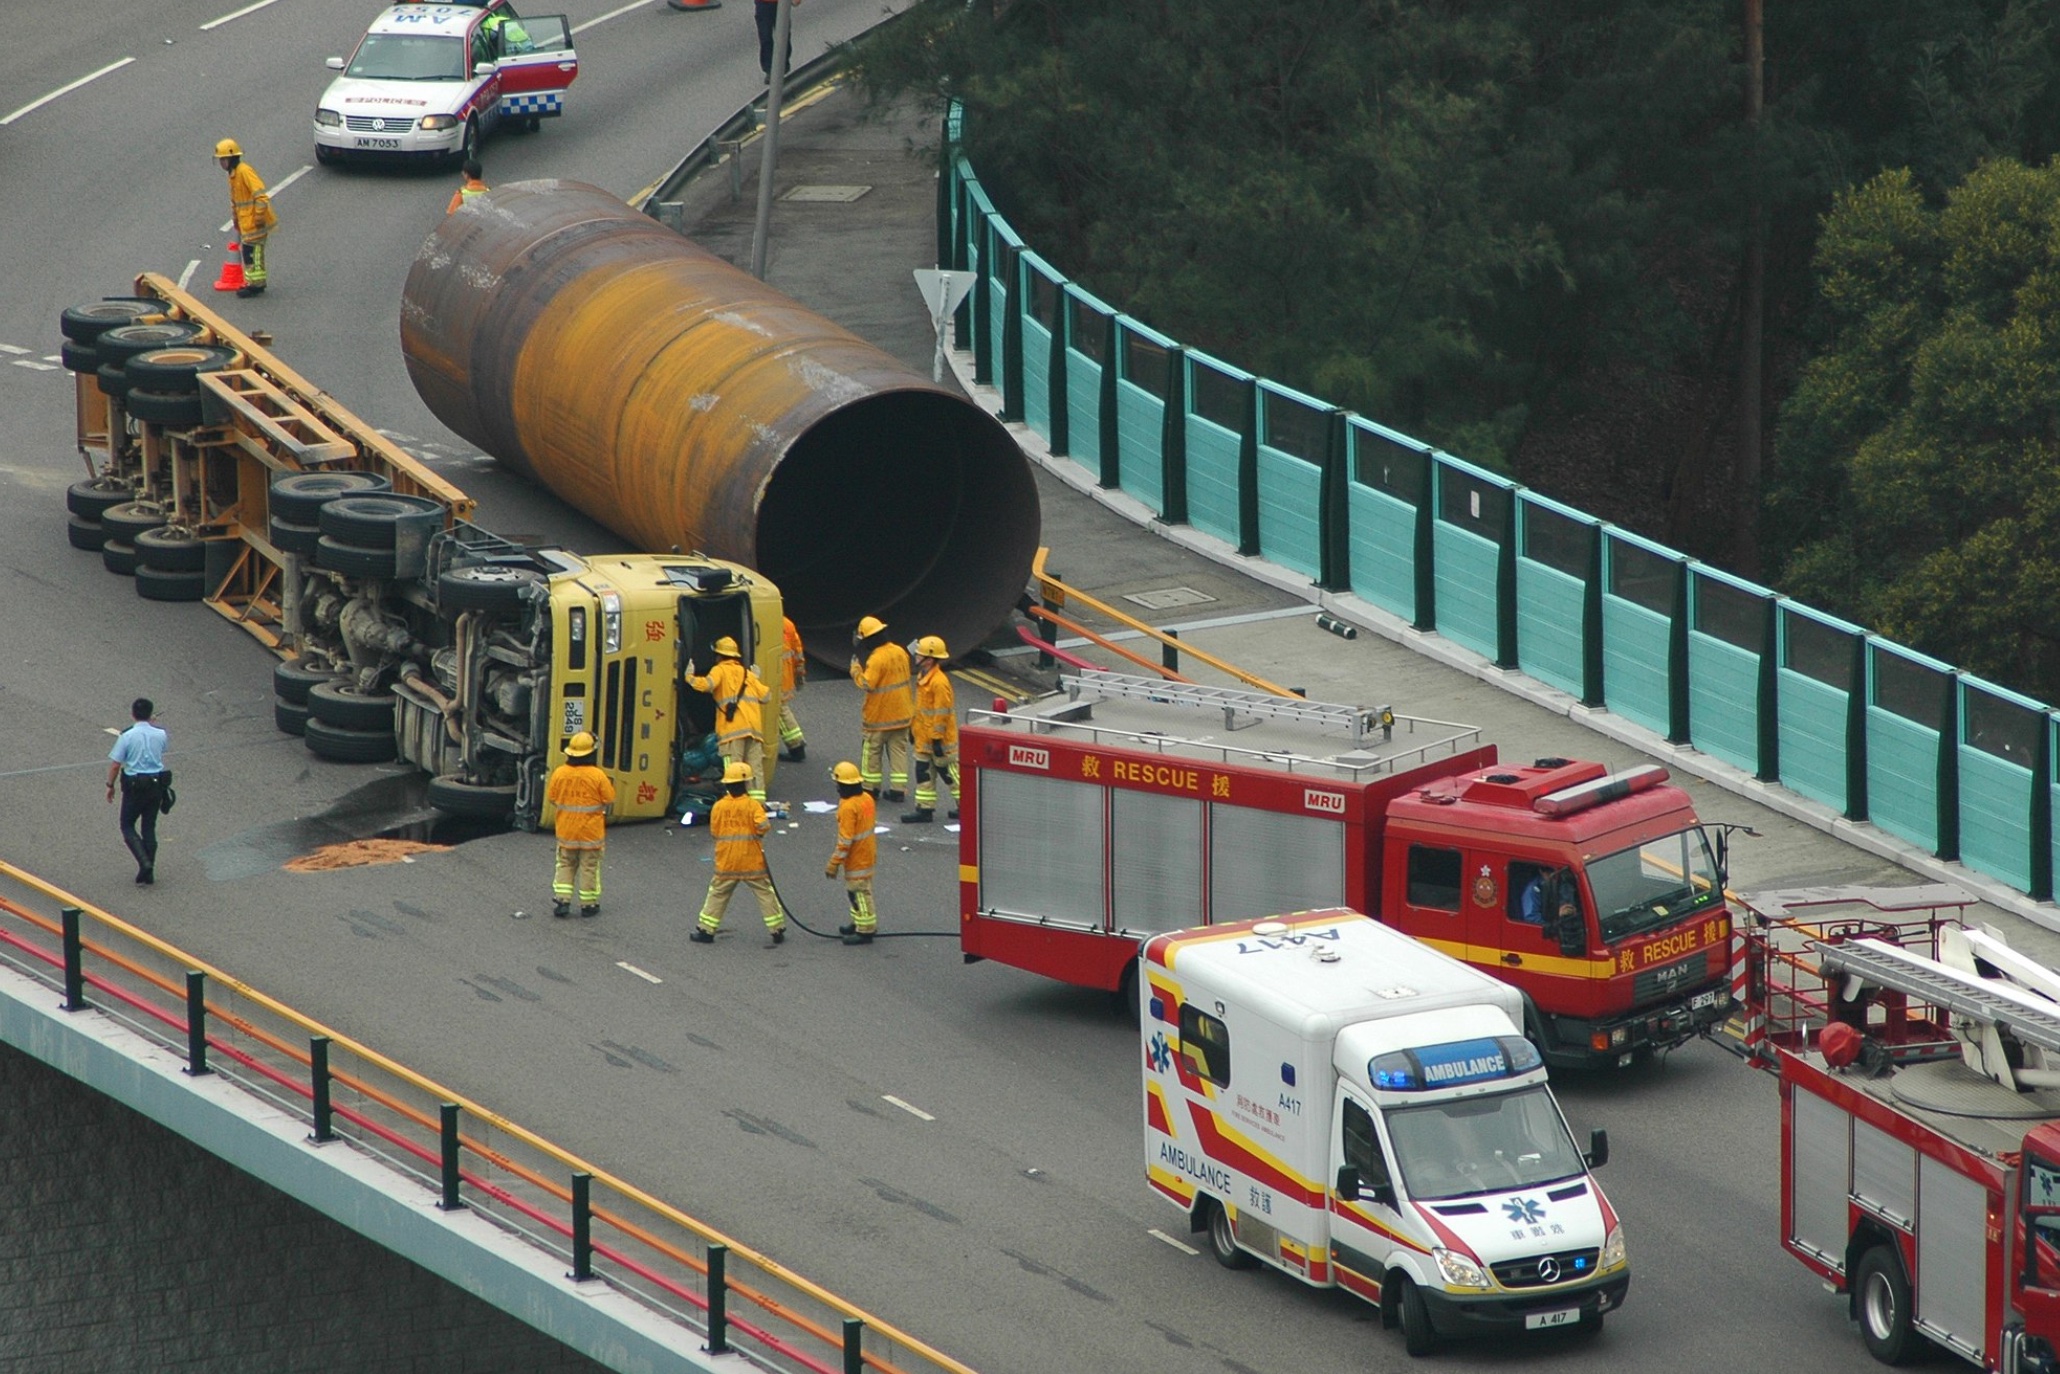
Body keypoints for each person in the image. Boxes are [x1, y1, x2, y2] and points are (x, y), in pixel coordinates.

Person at [691, 762, 787, 945]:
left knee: (718, 894)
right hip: (751, 861)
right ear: (746, 784)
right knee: (764, 893)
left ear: (727, 784)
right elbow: (764, 826)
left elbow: (714, 832)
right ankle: (776, 929)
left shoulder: (718, 807)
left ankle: (706, 931)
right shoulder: (752, 806)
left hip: (727, 862)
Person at [685, 635, 770, 801]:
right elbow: (766, 696)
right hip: (754, 730)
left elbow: (706, 685)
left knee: (734, 768)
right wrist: (755, 679)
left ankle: (735, 802)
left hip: (732, 730)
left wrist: (689, 677)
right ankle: (757, 803)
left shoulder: (719, 670)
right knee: (754, 768)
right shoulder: (747, 674)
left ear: (718, 656)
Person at [545, 730, 615, 917]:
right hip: (590, 833)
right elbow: (609, 798)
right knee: (589, 867)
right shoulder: (597, 775)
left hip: (566, 831)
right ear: (592, 753)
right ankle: (588, 904)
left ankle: (562, 901)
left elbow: (552, 797)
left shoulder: (560, 773)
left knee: (566, 864)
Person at [848, 614, 912, 802]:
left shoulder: (876, 659)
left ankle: (870, 788)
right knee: (898, 752)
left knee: (872, 752)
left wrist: (855, 671)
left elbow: (867, 684)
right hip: (902, 714)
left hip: (879, 718)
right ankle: (898, 790)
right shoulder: (900, 652)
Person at [106, 698, 170, 885]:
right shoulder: (161, 734)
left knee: (127, 825)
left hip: (134, 785)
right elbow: (161, 748)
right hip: (156, 784)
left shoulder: (127, 736)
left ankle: (144, 863)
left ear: (133, 714)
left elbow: (116, 764)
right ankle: (149, 870)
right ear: (151, 714)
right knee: (149, 827)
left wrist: (110, 785)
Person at [903, 634, 960, 823]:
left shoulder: (939, 682)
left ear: (930, 658)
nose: (916, 658)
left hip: (939, 740)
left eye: (919, 655)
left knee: (950, 775)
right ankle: (924, 810)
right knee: (923, 773)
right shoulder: (923, 677)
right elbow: (920, 708)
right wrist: (913, 729)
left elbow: (941, 713)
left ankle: (967, 807)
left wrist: (936, 738)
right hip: (923, 738)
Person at [214, 138, 276, 298]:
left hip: (254, 223)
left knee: (252, 254)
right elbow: (237, 201)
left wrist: (259, 218)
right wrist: (235, 219)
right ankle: (256, 282)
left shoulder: (244, 171)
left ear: (232, 158)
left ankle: (255, 284)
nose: (221, 163)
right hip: (246, 223)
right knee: (251, 253)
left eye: (223, 159)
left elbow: (260, 196)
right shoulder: (234, 175)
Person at [824, 761, 877, 944]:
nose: (837, 789)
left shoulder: (848, 807)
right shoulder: (867, 799)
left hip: (857, 857)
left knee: (858, 893)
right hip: (867, 852)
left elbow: (845, 841)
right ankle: (858, 921)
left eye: (839, 785)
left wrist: (833, 864)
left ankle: (865, 930)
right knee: (857, 890)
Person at [777, 615, 807, 761]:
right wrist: (800, 672)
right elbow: (797, 650)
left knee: (779, 711)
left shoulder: (762, 620)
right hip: (785, 677)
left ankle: (796, 747)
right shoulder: (787, 624)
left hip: (774, 678)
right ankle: (796, 744)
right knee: (781, 709)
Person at [754, 0, 798, 85]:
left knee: (783, 35)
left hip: (781, 4)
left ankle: (783, 65)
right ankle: (769, 70)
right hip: (763, 3)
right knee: (765, 37)